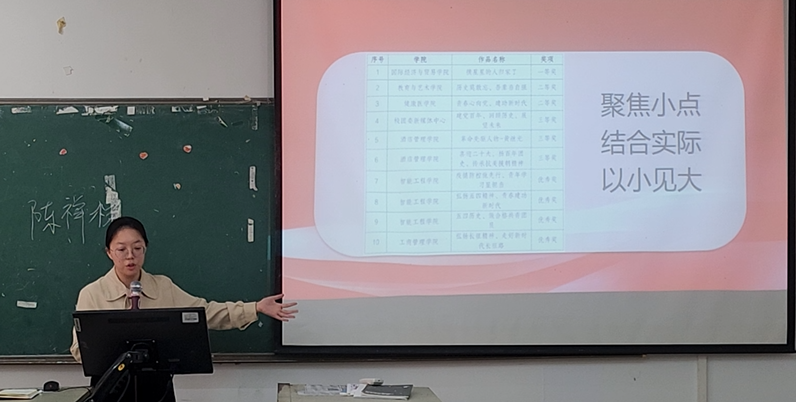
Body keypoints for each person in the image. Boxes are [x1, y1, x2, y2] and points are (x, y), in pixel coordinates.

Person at [71, 216, 297, 402]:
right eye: (121, 249)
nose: (130, 256)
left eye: (137, 248)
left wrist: (255, 307)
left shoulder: (163, 287)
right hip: (110, 388)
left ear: (145, 248)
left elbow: (205, 313)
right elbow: (79, 349)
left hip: (157, 390)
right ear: (109, 252)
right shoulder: (92, 294)